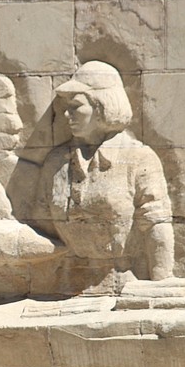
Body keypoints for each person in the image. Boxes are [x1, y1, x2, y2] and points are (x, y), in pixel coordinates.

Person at [33, 61, 174, 282]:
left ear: (101, 107)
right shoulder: (55, 162)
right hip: (63, 284)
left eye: (76, 106)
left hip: (125, 283)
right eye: (66, 108)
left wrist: (161, 285)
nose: (67, 115)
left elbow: (156, 225)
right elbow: (41, 225)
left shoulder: (138, 158)